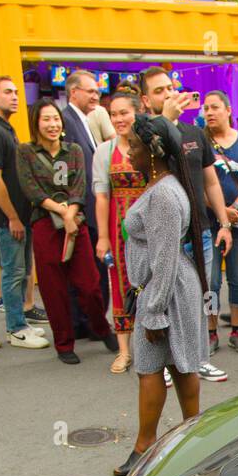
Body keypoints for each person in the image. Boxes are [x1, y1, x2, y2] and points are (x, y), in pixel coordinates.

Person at [113, 116, 209, 476]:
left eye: (134, 147)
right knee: (175, 364)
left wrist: (153, 312)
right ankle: (187, 440)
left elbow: (165, 257)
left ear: (153, 153)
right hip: (163, 289)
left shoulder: (165, 194)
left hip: (165, 291)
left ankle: (147, 447)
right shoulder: (163, 187)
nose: (129, 154)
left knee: (156, 366)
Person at [139, 66, 232, 382]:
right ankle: (167, 363)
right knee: (163, 297)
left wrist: (224, 223)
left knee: (202, 296)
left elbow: (211, 183)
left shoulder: (195, 133)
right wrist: (164, 120)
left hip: (200, 231)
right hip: (164, 236)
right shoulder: (147, 135)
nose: (167, 94)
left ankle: (199, 358)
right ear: (145, 99)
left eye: (169, 88)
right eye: (158, 91)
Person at [16, 97, 116, 363]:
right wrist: (62, 213)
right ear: (36, 123)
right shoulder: (25, 152)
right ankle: (63, 343)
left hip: (77, 222)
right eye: (46, 119)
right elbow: (32, 191)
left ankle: (101, 328)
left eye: (55, 119)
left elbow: (79, 186)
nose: (52, 124)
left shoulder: (73, 150)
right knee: (54, 289)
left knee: (90, 284)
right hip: (45, 224)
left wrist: (71, 214)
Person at [0, 76, 48, 349]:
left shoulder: (2, 128)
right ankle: (16, 328)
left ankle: (21, 322)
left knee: (21, 268)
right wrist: (13, 217)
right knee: (14, 271)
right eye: (8, 92)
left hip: (18, 214)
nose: (16, 96)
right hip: (8, 218)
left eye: (17, 92)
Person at [93, 86, 147, 372]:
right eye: (113, 114)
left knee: (151, 285)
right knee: (120, 285)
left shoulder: (150, 147)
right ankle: (124, 351)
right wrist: (102, 237)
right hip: (118, 228)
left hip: (149, 228)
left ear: (137, 113)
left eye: (124, 113)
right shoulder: (105, 151)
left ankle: (154, 347)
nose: (118, 119)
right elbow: (102, 196)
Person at [202, 89, 238, 353]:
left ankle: (237, 330)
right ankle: (211, 331)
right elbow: (196, 183)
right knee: (210, 281)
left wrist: (235, 207)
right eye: (205, 108)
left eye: (214, 107)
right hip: (208, 222)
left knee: (237, 277)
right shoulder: (200, 141)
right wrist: (220, 210)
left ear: (227, 110)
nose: (209, 112)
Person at [62, 69, 109, 310]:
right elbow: (65, 170)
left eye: (97, 91)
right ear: (74, 92)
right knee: (85, 272)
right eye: (90, 90)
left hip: (89, 209)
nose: (96, 95)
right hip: (80, 210)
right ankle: (88, 322)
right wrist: (71, 208)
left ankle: (91, 321)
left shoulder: (84, 120)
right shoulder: (67, 121)